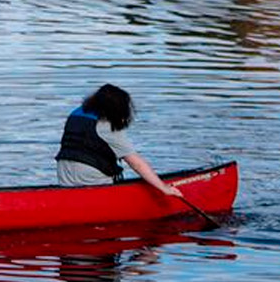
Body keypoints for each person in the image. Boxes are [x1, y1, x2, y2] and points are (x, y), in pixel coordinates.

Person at [54, 83, 184, 199]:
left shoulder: (76, 113)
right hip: (89, 179)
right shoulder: (107, 126)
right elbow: (136, 163)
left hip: (64, 176)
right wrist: (163, 188)